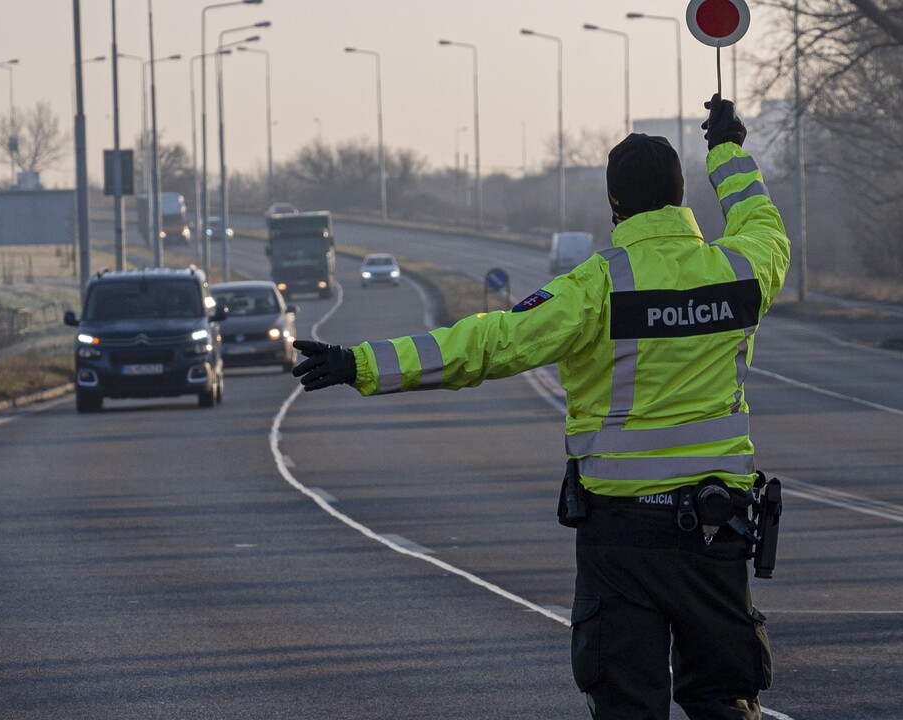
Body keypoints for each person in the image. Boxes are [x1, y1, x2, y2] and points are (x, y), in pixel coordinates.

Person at [291, 94, 789, 720]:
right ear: (682, 196)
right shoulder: (740, 270)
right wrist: (728, 150)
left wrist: (360, 363)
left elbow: (485, 345)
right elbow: (763, 223)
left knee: (628, 705)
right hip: (717, 531)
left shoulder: (596, 286)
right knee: (723, 700)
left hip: (623, 538)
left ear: (614, 207)